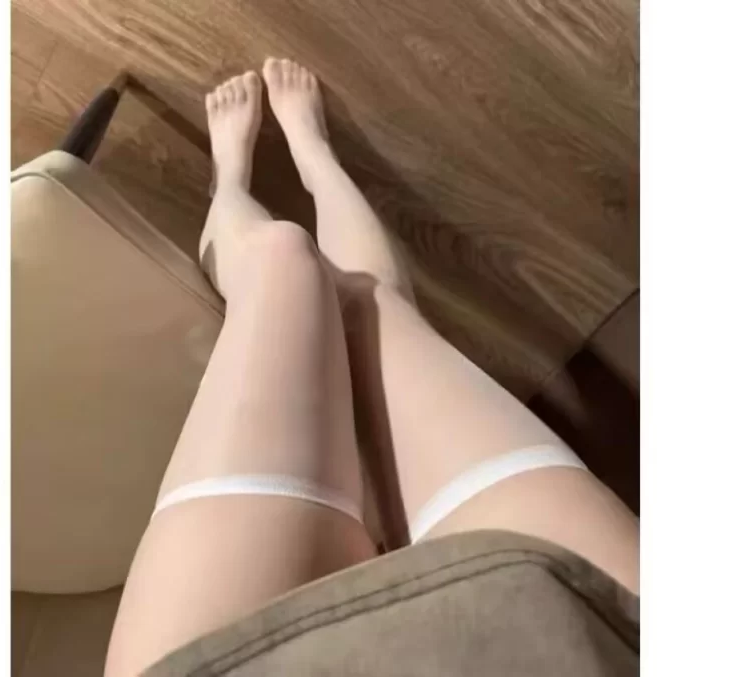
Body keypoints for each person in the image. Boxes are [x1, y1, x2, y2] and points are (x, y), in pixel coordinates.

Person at [105, 59, 639, 676]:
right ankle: (313, 159)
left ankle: (235, 181)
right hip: (548, 634)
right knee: (367, 305)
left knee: (281, 256)